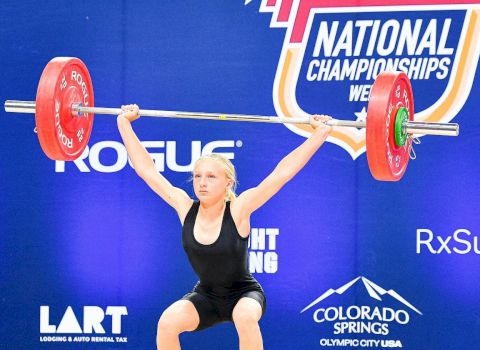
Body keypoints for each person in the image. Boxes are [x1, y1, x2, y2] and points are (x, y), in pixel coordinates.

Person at [117, 104, 332, 350]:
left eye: (211, 177)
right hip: (206, 296)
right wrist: (124, 123)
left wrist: (319, 135)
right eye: (197, 176)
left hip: (245, 294)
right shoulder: (185, 208)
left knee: (244, 316)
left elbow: (281, 174)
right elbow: (147, 171)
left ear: (228, 182)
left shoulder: (239, 210)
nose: (202, 183)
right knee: (167, 322)